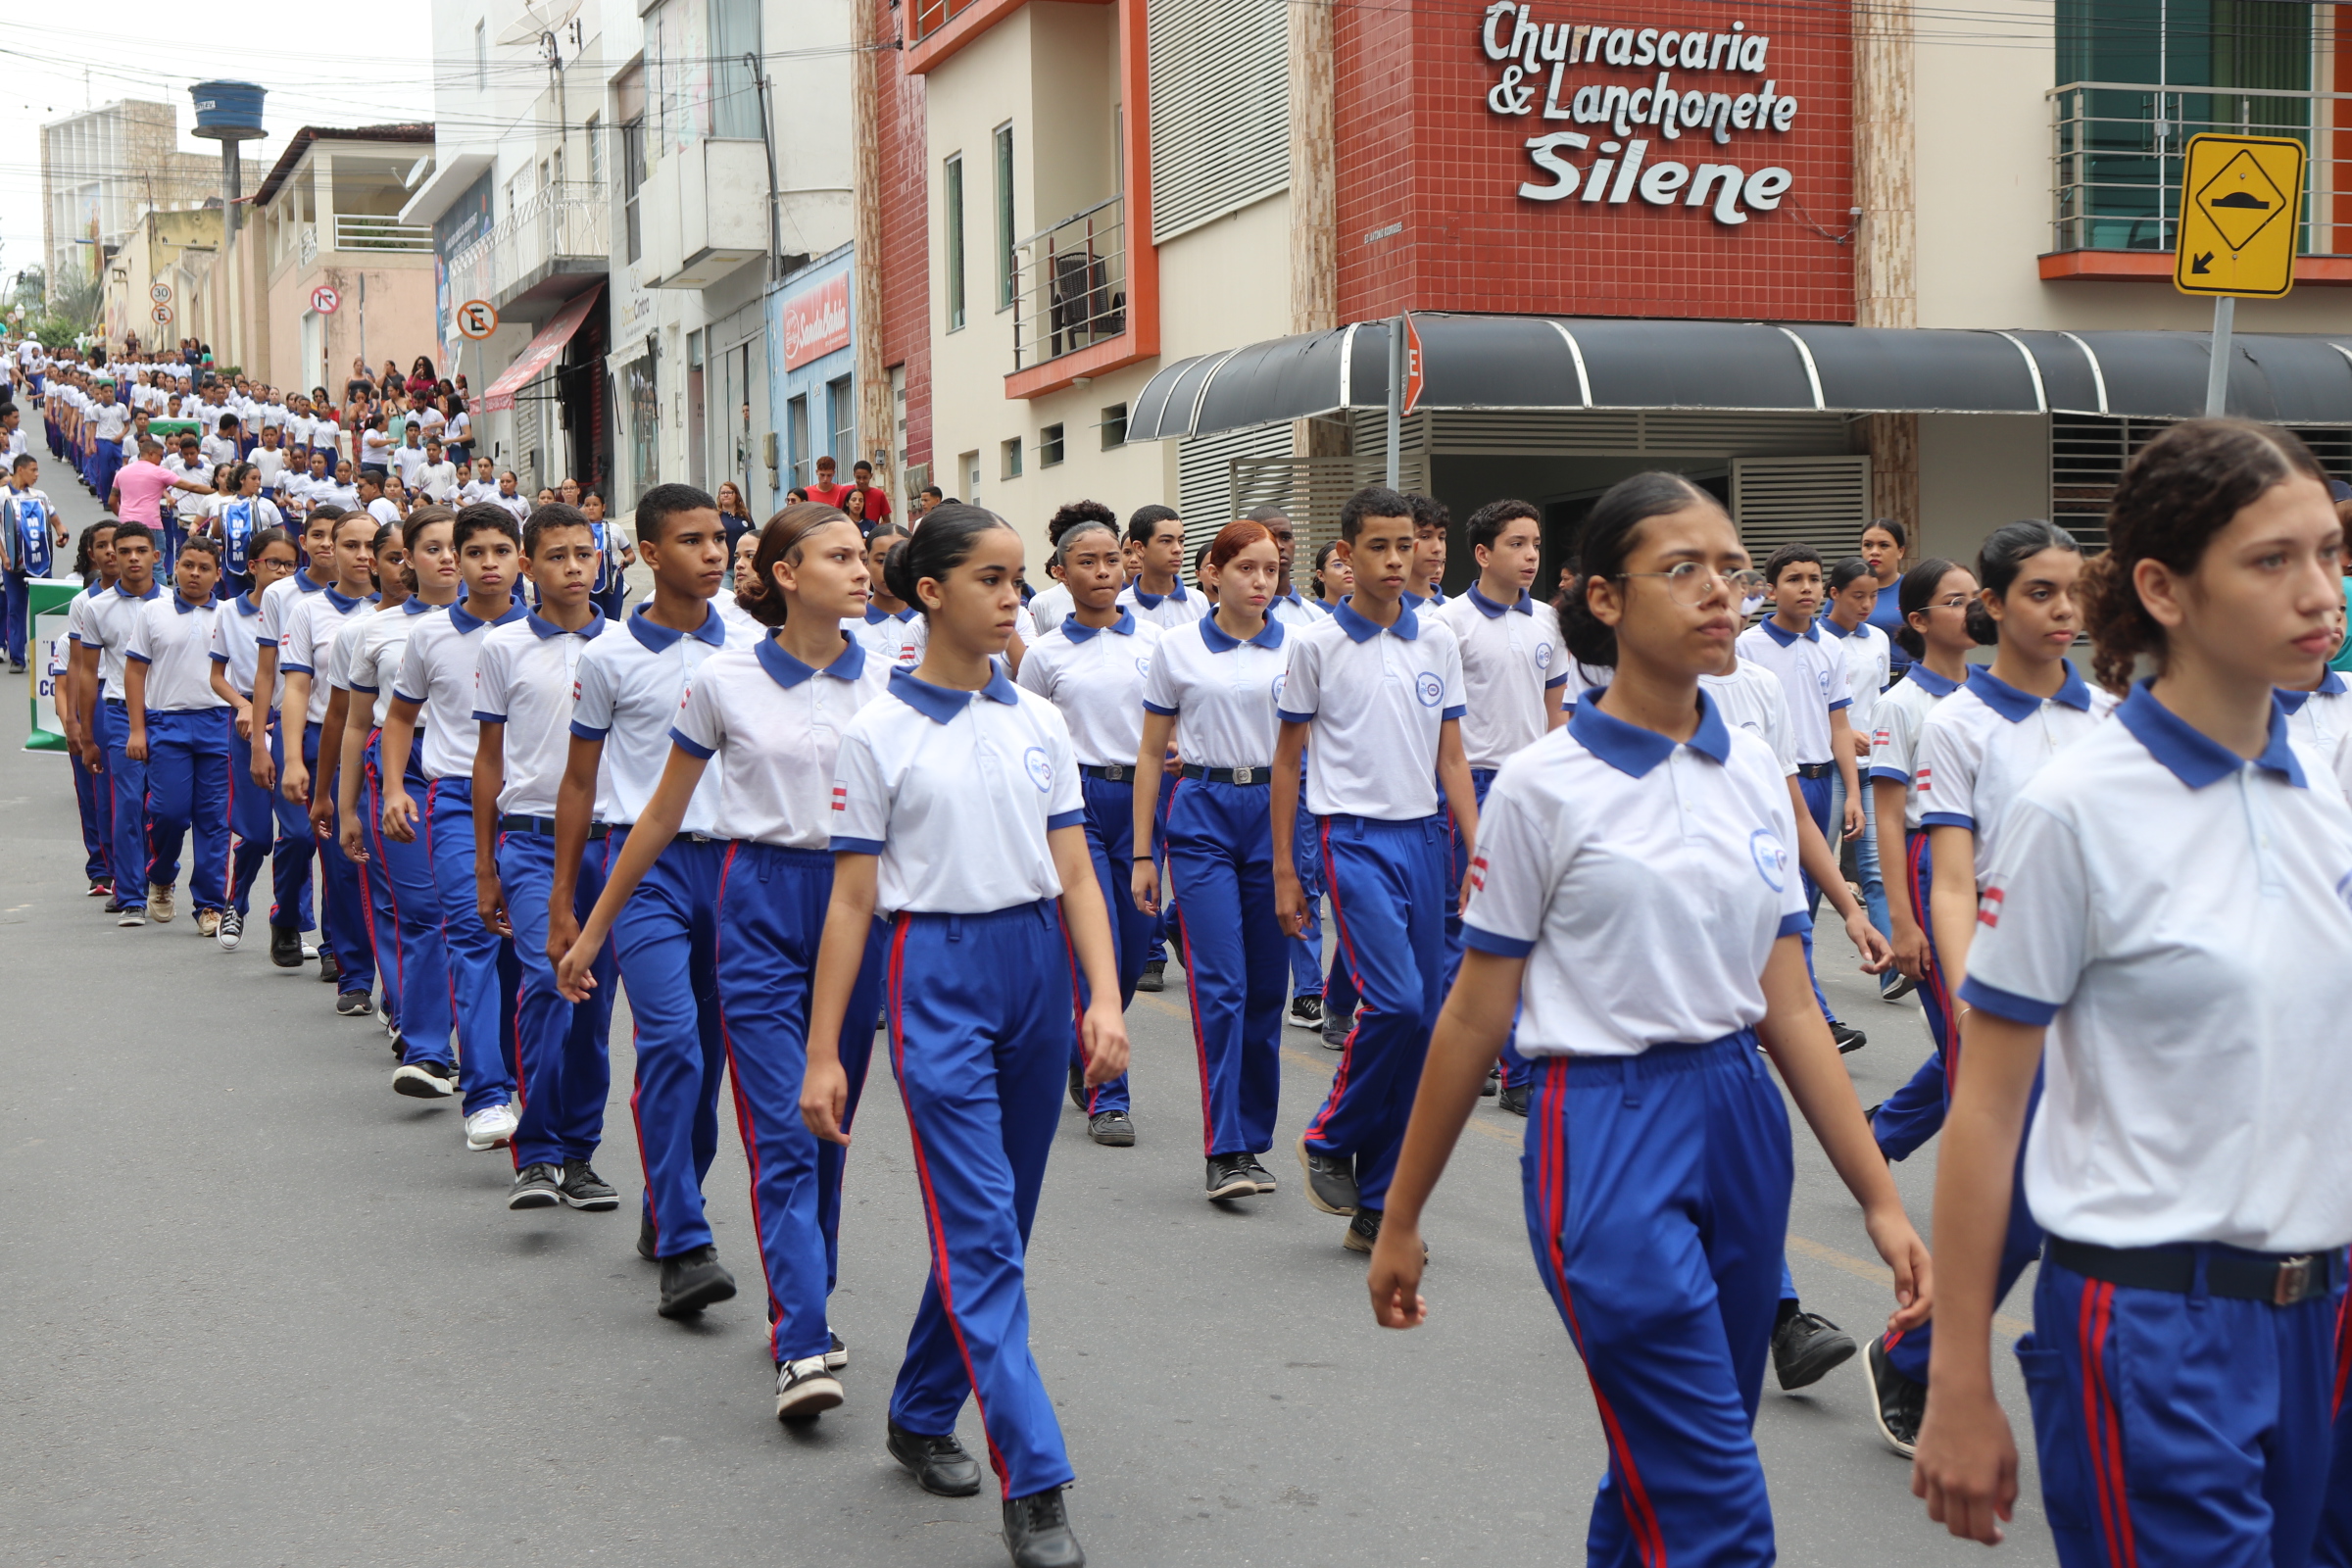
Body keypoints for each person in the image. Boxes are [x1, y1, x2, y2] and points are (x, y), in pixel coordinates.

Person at [1363, 469, 1931, 1568]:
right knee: (1715, 1498)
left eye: (1732, 567)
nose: (1722, 590)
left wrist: (1879, 1199)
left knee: (1665, 1467)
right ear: (1606, 601)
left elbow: (1789, 1006)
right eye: (1683, 568)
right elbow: (1476, 1012)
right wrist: (1403, 1214)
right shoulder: (1542, 784)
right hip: (1606, 1130)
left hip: (1740, 1120)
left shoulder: (1756, 767)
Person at [1913, 417, 2352, 1565]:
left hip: (2319, 1316)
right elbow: (1991, 1107)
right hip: (2156, 1323)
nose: (2320, 591)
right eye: (2274, 561)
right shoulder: (2079, 809)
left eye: (2332, 553)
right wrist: (1958, 1375)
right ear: (2163, 586)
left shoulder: (2320, 797)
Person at [799, 505, 1128, 1568]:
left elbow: (1077, 870)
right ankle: (1034, 1477)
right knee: (980, 1228)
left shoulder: (1038, 718)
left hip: (1037, 965)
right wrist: (824, 1051)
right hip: (932, 969)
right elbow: (851, 904)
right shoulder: (874, 732)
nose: (1012, 598)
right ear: (931, 591)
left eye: (1017, 579)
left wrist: (1106, 999)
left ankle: (922, 1403)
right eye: (992, 578)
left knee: (1003, 1222)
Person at [568, 503, 888, 1419]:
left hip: (854, 907)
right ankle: (801, 1342)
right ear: (786, 574)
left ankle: (805, 1297)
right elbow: (661, 814)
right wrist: (592, 930)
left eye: (864, 556)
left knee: (830, 1126)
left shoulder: (894, 684)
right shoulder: (727, 676)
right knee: (781, 1127)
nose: (863, 570)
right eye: (840, 556)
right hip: (759, 904)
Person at [1863, 518, 2115, 1456]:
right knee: (2019, 1209)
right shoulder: (1956, 722)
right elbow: (1954, 878)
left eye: (2073, 592)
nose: (2061, 611)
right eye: (2038, 593)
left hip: (2106, 997)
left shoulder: (2111, 716)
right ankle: (1915, 1352)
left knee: (2102, 1196)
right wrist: (1972, 996)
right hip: (2008, 995)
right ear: (1993, 608)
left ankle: (2105, 1387)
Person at [553, 483, 753, 1318]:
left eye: (719, 539)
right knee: (669, 1043)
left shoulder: (749, 646)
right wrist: (566, 902)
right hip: (644, 870)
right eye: (693, 540)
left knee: (706, 1062)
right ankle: (686, 1241)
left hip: (738, 872)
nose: (713, 554)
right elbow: (578, 780)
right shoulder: (606, 659)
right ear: (646, 553)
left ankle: (669, 1201)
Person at [1273, 485, 1480, 1253]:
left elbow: (1451, 756)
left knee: (1425, 1024)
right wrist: (1288, 875)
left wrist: (1476, 848)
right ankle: (1331, 1135)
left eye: (1407, 545)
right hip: (1352, 839)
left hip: (1424, 838)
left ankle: (1382, 1205)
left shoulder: (1438, 642)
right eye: (1379, 548)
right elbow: (1288, 764)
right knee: (1393, 1005)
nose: (1397, 560)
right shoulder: (1316, 646)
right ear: (1347, 556)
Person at [1129, 518, 1298, 1196]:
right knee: (1222, 986)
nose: (1261, 582)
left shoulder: (1302, 645)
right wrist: (1144, 853)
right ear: (1213, 574)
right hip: (1200, 813)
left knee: (1265, 991)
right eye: (1246, 569)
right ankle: (1223, 1148)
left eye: (1271, 570)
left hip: (1278, 816)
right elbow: (1149, 752)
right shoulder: (1175, 648)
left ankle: (1253, 1141)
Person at [469, 503, 622, 1216]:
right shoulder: (502, 649)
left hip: (610, 849)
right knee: (543, 983)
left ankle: (578, 1152)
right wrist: (485, 867)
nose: (572, 568)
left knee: (593, 1007)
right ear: (528, 567)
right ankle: (534, 1152)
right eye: (556, 556)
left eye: (583, 555)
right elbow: (490, 762)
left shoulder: (624, 647)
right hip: (529, 843)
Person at [378, 505, 528, 1147]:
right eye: (476, 552)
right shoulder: (431, 636)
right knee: (470, 932)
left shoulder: (551, 633)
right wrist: (391, 788)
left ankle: (524, 1078)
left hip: (534, 807)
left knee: (525, 952)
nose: (489, 563)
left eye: (502, 550)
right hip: (457, 802)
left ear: (520, 558)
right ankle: (487, 1095)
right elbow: (399, 718)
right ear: (456, 563)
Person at [1014, 514, 1159, 1149]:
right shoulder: (1044, 654)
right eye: (1088, 562)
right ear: (1060, 573)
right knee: (1088, 944)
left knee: (1131, 951)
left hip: (1143, 800)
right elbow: (1027, 736)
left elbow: (1174, 718)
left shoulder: (1155, 643)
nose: (1103, 573)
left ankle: (1086, 1041)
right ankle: (1110, 1096)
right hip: (1075, 805)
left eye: (1111, 561)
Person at [1430, 499, 1569, 1110]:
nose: (1531, 555)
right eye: (1517, 543)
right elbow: (1439, 730)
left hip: (1534, 790)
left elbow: (1556, 714)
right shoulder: (1448, 625)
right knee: (1465, 927)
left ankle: (1518, 1069)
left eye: (1536, 543)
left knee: (1530, 932)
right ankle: (1464, 1051)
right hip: (1470, 786)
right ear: (1483, 554)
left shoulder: (1549, 624)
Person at [1863, 558, 1980, 1179]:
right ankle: (1995, 1199)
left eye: (1975, 598)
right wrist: (1903, 924)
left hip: (1990, 868)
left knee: (1991, 1030)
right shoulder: (1901, 705)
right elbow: (1888, 819)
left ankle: (1878, 1133)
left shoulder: (1991, 691)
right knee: (1971, 1036)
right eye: (1955, 602)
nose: (1973, 610)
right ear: (1919, 620)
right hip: (1930, 864)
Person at [1736, 545, 1868, 1053]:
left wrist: (1852, 791)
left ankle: (1773, 1008)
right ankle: (1816, 1017)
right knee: (1784, 900)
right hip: (1772, 787)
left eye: (1814, 578)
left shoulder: (1831, 647)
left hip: (1819, 783)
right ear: (1771, 590)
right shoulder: (1748, 647)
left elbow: (1839, 726)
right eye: (1794, 579)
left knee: (1806, 903)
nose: (1808, 588)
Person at [341, 508, 461, 1063]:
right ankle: (426, 1045)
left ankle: (488, 1051)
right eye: (432, 548)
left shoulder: (512, 625)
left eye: (458, 545)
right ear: (407, 559)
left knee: (480, 915)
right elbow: (358, 724)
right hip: (401, 767)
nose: (450, 558)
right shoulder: (374, 630)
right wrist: (345, 808)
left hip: (479, 767)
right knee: (423, 910)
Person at [277, 511, 384, 1020]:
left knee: (391, 868)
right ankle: (354, 971)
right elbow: (297, 688)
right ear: (330, 549)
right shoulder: (308, 612)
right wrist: (294, 756)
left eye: (373, 546)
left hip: (392, 744)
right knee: (343, 864)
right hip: (330, 739)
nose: (362, 555)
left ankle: (403, 984)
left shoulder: (410, 611)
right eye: (351, 545)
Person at [122, 533, 231, 934]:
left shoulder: (229, 615)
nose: (195, 574)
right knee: (167, 813)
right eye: (188, 566)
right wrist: (137, 729)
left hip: (219, 723)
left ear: (218, 575)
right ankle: (162, 875)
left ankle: (209, 903)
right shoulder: (153, 612)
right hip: (166, 723)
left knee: (214, 819)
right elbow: (135, 671)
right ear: (175, 567)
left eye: (204, 568)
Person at [249, 507, 342, 971]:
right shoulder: (281, 595)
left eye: (336, 536)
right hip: (294, 730)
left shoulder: (375, 597)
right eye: (318, 536)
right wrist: (258, 739)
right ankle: (286, 916)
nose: (327, 544)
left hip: (348, 734)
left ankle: (335, 947)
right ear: (305, 543)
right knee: (301, 835)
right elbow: (268, 671)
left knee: (344, 845)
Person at [207, 528, 303, 953]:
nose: (282, 571)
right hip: (248, 724)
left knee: (300, 834)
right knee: (259, 834)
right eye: (273, 563)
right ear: (253, 566)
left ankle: (289, 918)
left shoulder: (303, 608)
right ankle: (237, 900)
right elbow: (216, 677)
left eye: (288, 564)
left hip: (294, 724)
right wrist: (245, 707)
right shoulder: (229, 612)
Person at [71, 521, 165, 925]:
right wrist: (86, 733)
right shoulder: (96, 607)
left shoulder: (176, 603)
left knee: (166, 810)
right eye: (122, 550)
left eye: (139, 550)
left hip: (168, 715)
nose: (129, 558)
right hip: (119, 714)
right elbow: (86, 672)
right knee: (125, 805)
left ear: (155, 556)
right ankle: (131, 895)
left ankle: (162, 876)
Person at [1819, 555, 1896, 995]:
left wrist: (1878, 738)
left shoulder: (1879, 640)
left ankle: (1891, 968)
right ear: (1834, 594)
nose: (1867, 604)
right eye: (1857, 596)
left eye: (1873, 596)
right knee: (1815, 870)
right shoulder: (1817, 641)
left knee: (1876, 870)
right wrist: (1845, 737)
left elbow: (1879, 698)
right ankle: (1797, 974)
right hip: (1824, 769)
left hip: (1872, 767)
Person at [60, 522, 121, 897]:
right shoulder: (85, 602)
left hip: (141, 698)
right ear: (91, 554)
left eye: (120, 544)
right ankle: (104, 868)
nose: (113, 552)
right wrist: (73, 720)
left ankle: (139, 864)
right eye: (103, 546)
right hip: (96, 696)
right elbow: (77, 666)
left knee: (137, 791)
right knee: (96, 787)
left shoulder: (159, 598)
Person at [2, 452, 63, 670]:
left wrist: (61, 532)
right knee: (16, 608)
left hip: (40, 561)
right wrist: (4, 556)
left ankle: (48, 654)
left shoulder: (40, 496)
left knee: (46, 607)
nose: (37, 474)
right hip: (14, 564)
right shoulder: (2, 495)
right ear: (20, 470)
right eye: (33, 470)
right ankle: (17, 658)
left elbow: (55, 519)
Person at [1115, 505, 1206, 630]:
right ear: (1140, 548)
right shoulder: (1119, 605)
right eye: (1166, 541)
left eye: (1181, 541)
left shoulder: (1198, 601)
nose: (1178, 549)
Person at [211, 464, 286, 605]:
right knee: (235, 602)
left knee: (262, 600)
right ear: (242, 480)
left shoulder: (267, 504)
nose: (258, 482)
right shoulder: (225, 503)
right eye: (253, 478)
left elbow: (282, 534)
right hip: (233, 561)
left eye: (259, 478)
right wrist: (224, 513)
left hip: (262, 561)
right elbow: (215, 534)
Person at [1858, 518, 1912, 678]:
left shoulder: (1914, 589)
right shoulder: (1844, 591)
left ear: (1901, 551)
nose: (1874, 552)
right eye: (1868, 545)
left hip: (1908, 680)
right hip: (1859, 683)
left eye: (1884, 545)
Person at [1406, 494, 1449, 604]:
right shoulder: (1383, 612)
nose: (1437, 548)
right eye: (1425, 537)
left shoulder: (1455, 611)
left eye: (1441, 537)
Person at [714, 480, 754, 556]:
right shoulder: (716, 517)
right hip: (724, 562)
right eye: (722, 493)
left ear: (736, 495)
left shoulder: (745, 516)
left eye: (729, 492)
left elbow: (753, 537)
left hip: (742, 560)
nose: (725, 495)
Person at [850, 459, 893, 525]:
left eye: (865, 478)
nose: (861, 481)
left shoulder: (879, 495)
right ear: (854, 475)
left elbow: (887, 521)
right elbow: (835, 516)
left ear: (871, 476)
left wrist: (874, 530)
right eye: (858, 477)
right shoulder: (845, 491)